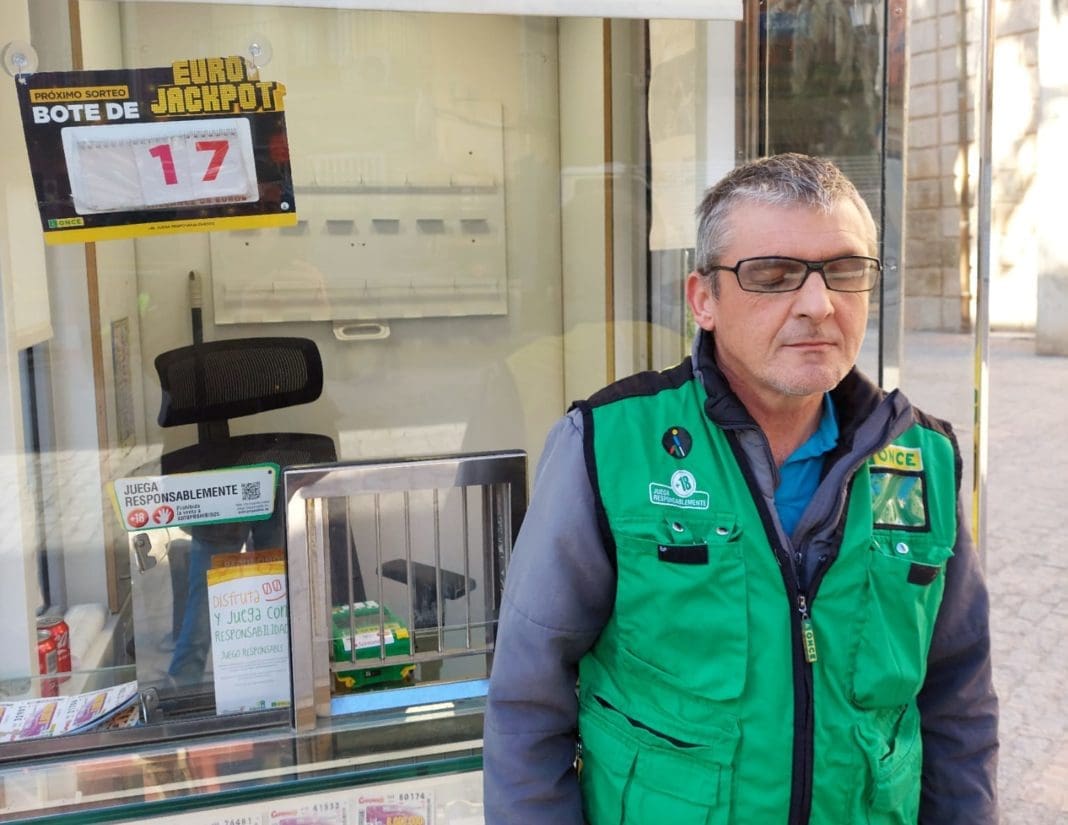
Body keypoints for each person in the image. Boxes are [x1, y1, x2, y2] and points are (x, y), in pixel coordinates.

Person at [483, 153, 998, 824]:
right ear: (703, 299)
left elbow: (959, 702)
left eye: (844, 270)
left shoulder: (923, 459)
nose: (818, 304)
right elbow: (528, 703)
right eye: (773, 275)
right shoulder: (609, 446)